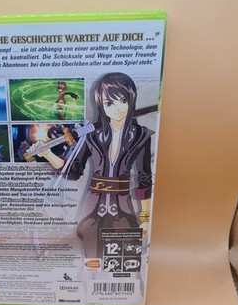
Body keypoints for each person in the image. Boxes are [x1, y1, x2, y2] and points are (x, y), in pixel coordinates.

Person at [34, 73, 153, 258]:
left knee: (124, 262)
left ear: (131, 99)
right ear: (100, 105)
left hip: (123, 208)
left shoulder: (140, 135)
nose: (117, 109)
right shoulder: (91, 134)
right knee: (92, 260)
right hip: (93, 208)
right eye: (109, 103)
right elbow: (73, 171)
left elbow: (144, 177)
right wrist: (48, 154)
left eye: (123, 101)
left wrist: (145, 217)